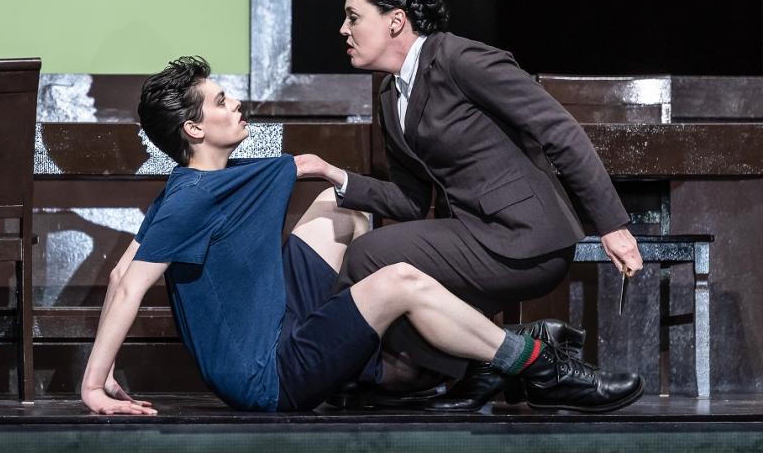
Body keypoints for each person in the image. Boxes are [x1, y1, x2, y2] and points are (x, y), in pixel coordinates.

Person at [80, 56, 643, 415]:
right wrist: (94, 385)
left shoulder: (193, 183)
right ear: (194, 128)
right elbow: (130, 283)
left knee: (342, 209)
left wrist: (324, 170)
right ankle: (537, 364)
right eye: (222, 101)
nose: (237, 103)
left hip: (281, 326)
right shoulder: (192, 199)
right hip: (268, 378)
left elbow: (121, 267)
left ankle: (378, 358)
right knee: (398, 280)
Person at [294, 0, 646, 410]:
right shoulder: (389, 95)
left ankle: (533, 367)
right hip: (474, 234)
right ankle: (502, 358)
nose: (343, 29)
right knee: (385, 271)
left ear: (395, 21)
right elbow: (409, 200)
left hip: (525, 236)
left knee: (370, 255)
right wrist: (335, 175)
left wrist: (613, 226)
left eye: (354, 17)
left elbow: (558, 130)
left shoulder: (461, 59)